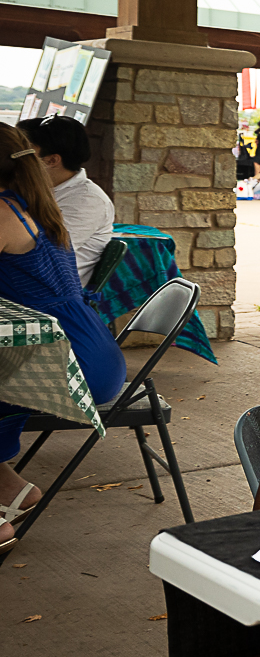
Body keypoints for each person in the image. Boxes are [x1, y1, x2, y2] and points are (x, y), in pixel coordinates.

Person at [0, 124, 128, 553]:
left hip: (68, 362)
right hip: (86, 350)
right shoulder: (34, 205)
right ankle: (15, 491)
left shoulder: (3, 211)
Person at [20, 115, 117, 285]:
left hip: (47, 296)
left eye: (24, 153)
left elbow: (41, 257)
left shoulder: (87, 200)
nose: (16, 160)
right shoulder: (37, 188)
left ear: (52, 160)